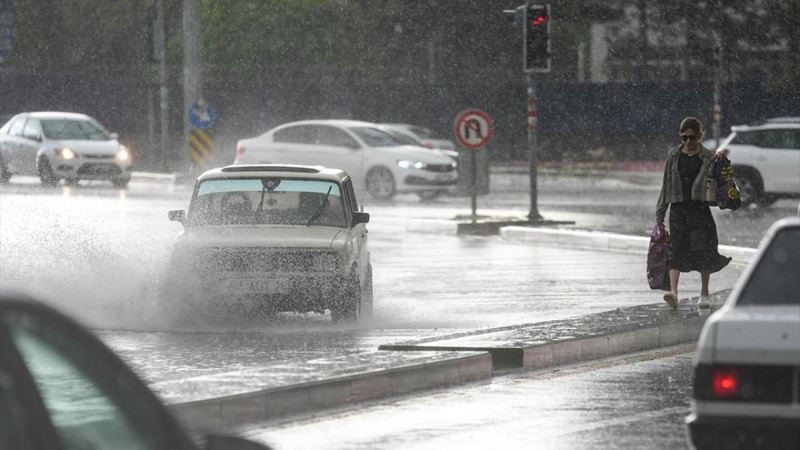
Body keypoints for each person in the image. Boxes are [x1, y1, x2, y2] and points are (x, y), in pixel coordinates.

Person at [655, 117, 732, 309]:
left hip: (699, 209)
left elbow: (721, 176)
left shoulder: (707, 156)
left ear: (699, 136)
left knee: (703, 250)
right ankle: (673, 293)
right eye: (684, 138)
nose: (688, 142)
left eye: (692, 137)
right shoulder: (673, 155)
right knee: (677, 249)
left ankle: (704, 293)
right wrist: (660, 215)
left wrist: (721, 159)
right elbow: (666, 185)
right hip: (679, 209)